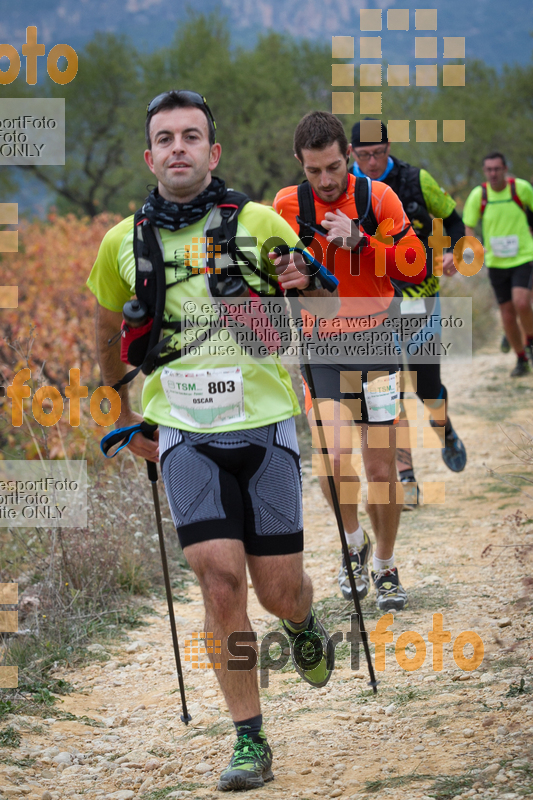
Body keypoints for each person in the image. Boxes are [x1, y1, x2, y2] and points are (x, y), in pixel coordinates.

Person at [87, 90, 337, 792]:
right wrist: (120, 403)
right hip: (183, 434)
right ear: (148, 156)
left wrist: (301, 282)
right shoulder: (121, 241)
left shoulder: (256, 222)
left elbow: (318, 301)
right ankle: (249, 740)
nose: (177, 148)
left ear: (212, 152)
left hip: (263, 428)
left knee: (279, 590)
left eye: (190, 136)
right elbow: (109, 332)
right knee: (218, 578)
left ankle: (302, 620)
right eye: (164, 138)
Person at [274, 111, 427, 611]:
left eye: (334, 168)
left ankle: (384, 565)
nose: (325, 180)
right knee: (332, 461)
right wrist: (286, 276)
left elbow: (415, 263)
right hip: (321, 347)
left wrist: (363, 243)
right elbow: (274, 278)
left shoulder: (377, 198)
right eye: (314, 171)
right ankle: (352, 542)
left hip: (377, 341)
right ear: (301, 163)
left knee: (380, 471)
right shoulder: (287, 205)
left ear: (348, 157)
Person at [349, 120, 467, 510]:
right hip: (373, 306)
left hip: (422, 298)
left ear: (388, 148)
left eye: (377, 153)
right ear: (351, 153)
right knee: (390, 392)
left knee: (426, 387)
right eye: (362, 155)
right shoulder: (345, 188)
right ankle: (407, 478)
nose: (370, 161)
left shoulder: (417, 180)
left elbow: (452, 219)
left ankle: (444, 428)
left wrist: (451, 250)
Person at [463, 150, 533, 377]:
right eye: (489, 170)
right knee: (507, 313)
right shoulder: (479, 195)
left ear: (505, 169)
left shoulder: (521, 189)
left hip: (523, 256)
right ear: (485, 172)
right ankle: (521, 359)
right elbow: (469, 226)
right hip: (496, 262)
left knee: (522, 303)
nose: (493, 173)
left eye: (497, 169)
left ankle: (529, 340)